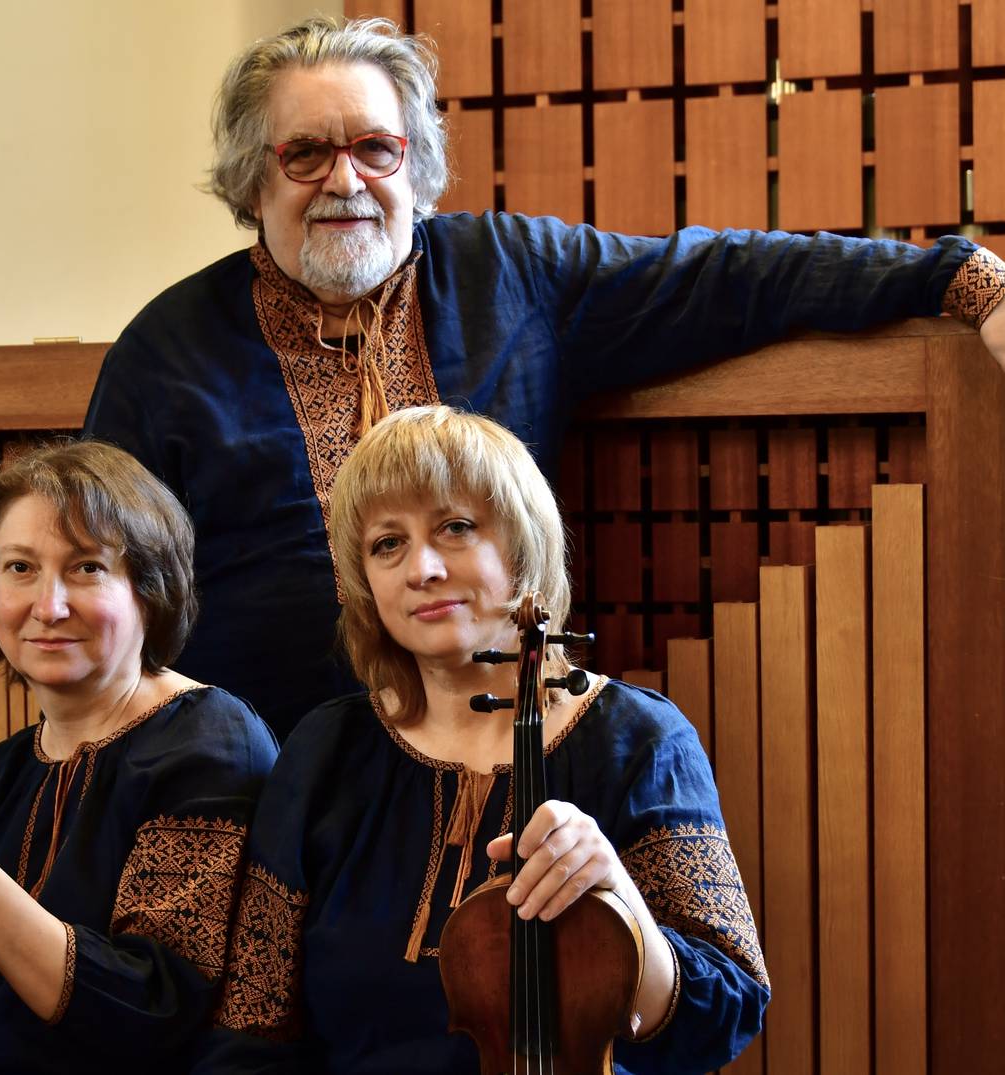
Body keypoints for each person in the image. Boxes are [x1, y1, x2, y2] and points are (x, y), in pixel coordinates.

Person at [83, 16, 1005, 741]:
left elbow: (724, 276)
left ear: (416, 166)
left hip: (507, 749)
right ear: (253, 178)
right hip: (271, 788)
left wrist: (962, 278)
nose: (344, 181)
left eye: (375, 148)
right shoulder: (166, 353)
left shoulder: (514, 273)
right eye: (304, 153)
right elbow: (109, 599)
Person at [199, 405, 767, 1073]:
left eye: (456, 527)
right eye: (388, 544)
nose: (423, 568)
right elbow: (252, 1027)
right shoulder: (325, 750)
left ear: (522, 547)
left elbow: (727, 1012)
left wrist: (624, 906)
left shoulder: (639, 740)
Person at [0, 441, 278, 1074]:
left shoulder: (208, 744)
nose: (48, 607)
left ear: (148, 589)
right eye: (20, 568)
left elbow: (153, 1009)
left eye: (87, 568)